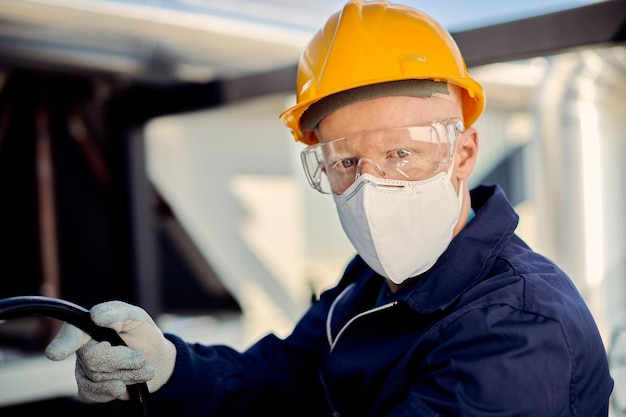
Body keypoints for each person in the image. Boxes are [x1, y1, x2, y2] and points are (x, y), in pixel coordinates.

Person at [44, 1, 614, 416]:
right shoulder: (374, 281)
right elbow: (289, 378)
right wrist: (168, 368)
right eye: (345, 163)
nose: (372, 188)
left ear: (463, 152)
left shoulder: (517, 328)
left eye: (400, 153)